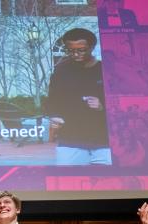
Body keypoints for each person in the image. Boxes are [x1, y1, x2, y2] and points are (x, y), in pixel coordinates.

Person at [47, 28, 111, 166]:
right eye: (70, 50)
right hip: (70, 140)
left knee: (107, 179)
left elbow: (121, 105)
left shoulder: (106, 70)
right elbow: (52, 100)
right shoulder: (61, 71)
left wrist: (102, 106)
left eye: (81, 50)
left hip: (103, 141)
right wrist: (54, 115)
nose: (75, 54)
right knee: (68, 179)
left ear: (92, 47)